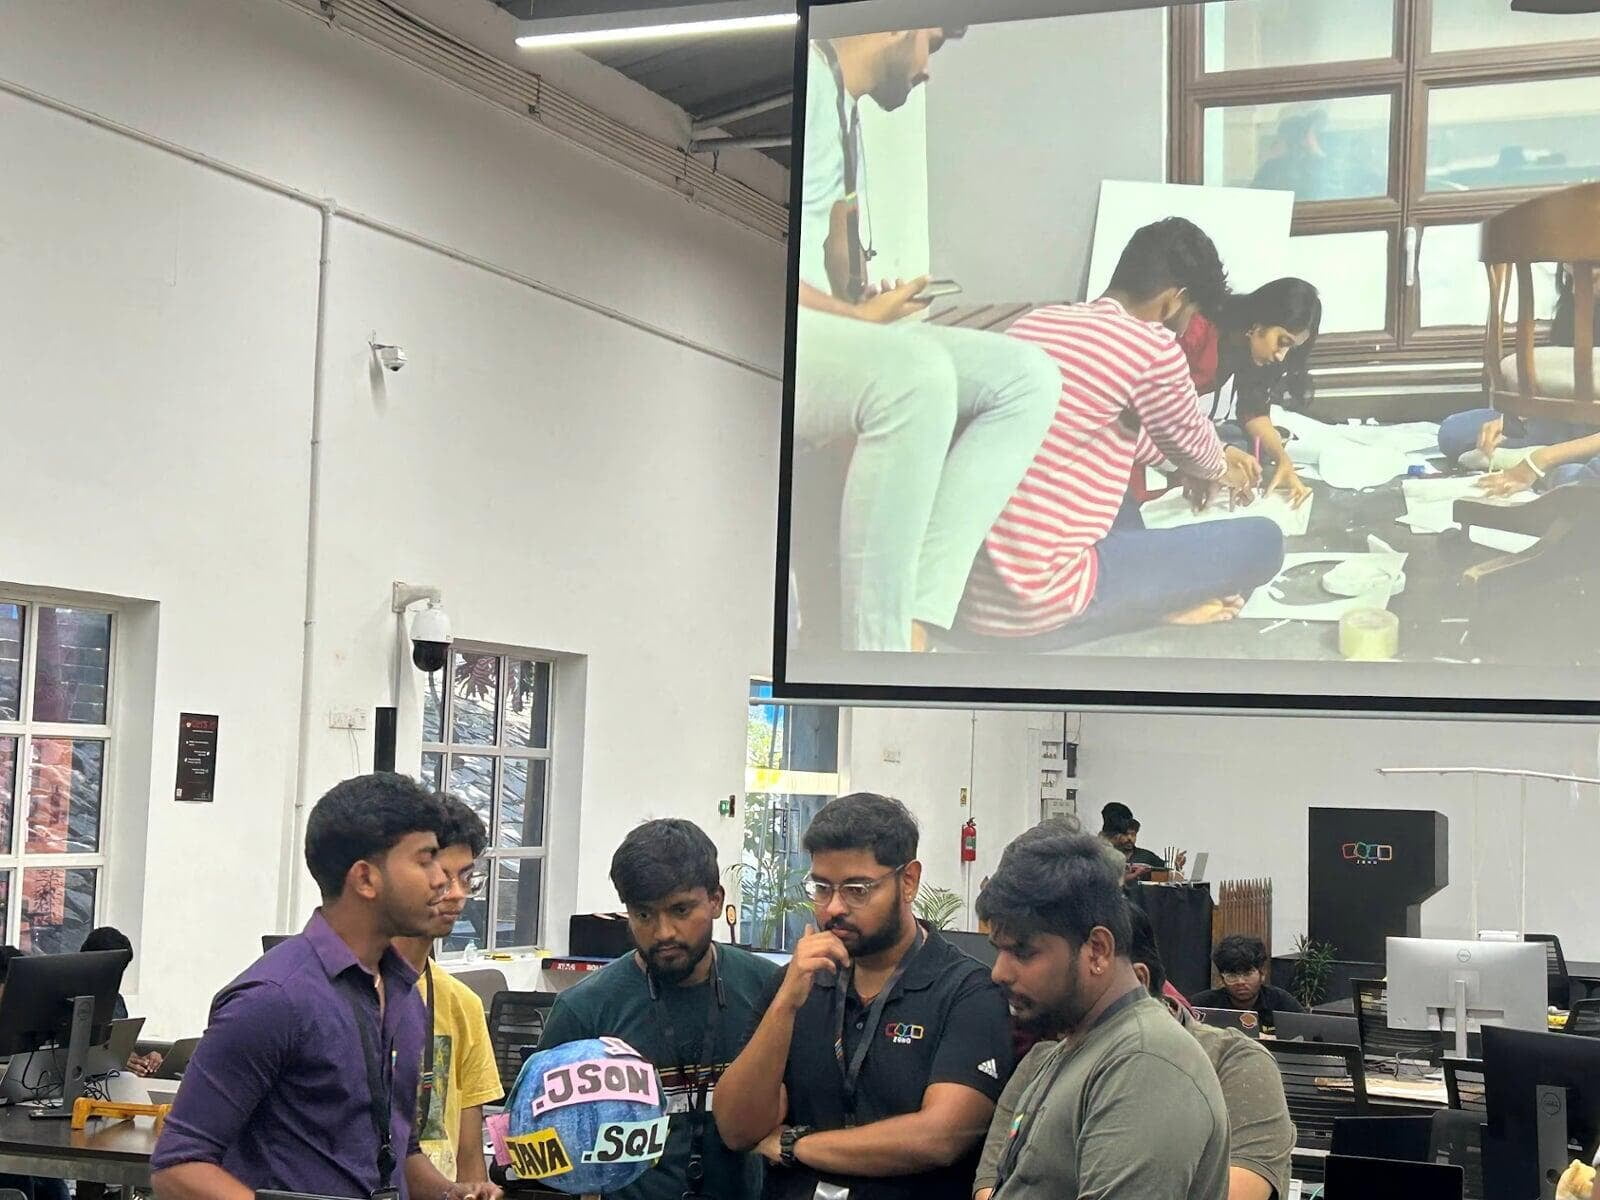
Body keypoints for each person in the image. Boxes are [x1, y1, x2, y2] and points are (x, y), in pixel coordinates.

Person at [794, 27, 1059, 652]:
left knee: (1028, 377)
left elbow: (824, 253)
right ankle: (878, 651)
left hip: (824, 324)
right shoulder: (808, 85)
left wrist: (862, 301)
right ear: (896, 23)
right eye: (931, 45)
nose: (927, 70)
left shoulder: (844, 110)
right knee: (916, 378)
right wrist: (860, 322)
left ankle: (917, 612)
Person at [150, 772, 500, 1200]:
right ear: (365, 879)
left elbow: (398, 1152)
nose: (441, 882)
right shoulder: (274, 998)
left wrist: (450, 1194)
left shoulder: (403, 993)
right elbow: (178, 1166)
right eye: (425, 860)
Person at [958, 218, 1283, 648]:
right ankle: (1146, 606)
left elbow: (1104, 428)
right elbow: (1193, 449)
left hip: (977, 595)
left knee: (1119, 497)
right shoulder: (1151, 346)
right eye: (1190, 314)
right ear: (1173, 301)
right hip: (1037, 603)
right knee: (1265, 542)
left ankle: (1148, 596)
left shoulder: (1036, 324)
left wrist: (1202, 456)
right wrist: (1222, 467)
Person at [715, 793, 1014, 1200]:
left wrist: (794, 1145)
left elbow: (940, 1137)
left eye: (857, 889)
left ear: (908, 881)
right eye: (821, 888)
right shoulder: (797, 984)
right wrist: (784, 1004)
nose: (833, 908)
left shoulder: (967, 991)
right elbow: (737, 1129)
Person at [977, 820, 1230, 1200]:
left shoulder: (1145, 1062)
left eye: (1022, 951)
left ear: (1097, 950)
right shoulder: (1078, 1046)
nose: (999, 972)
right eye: (998, 950)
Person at [975, 903, 1294, 1200]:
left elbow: (1239, 1191)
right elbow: (993, 1182)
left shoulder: (1235, 1061)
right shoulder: (1044, 1060)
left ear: (1136, 979)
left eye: (1026, 954)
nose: (1001, 974)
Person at [536, 819, 780, 1200]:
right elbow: (541, 1141)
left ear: (716, 900)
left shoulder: (769, 990)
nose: (663, 932)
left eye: (680, 910)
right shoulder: (584, 1009)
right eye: (644, 915)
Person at [394, 796, 504, 1186]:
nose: (456, 893)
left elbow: (470, 1159)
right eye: (443, 876)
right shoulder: (350, 994)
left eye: (466, 877)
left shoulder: (462, 1004)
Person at [1441, 265, 1600, 491]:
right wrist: (1517, 417)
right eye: (1568, 276)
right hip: (1567, 421)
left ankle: (1557, 469)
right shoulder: (1577, 305)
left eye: (1591, 277)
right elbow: (1562, 386)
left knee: (1580, 479)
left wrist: (1539, 460)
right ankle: (1559, 465)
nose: (1574, 290)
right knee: (1453, 431)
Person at [1178, 277, 1322, 508]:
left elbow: (1254, 411)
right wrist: (1219, 457)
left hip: (1180, 424)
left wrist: (1283, 460)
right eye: (1282, 341)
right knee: (1233, 449)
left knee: (1247, 448)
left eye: (1290, 348)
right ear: (1259, 322)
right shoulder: (1199, 331)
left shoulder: (1250, 351)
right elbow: (1163, 412)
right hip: (1154, 422)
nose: (1281, 356)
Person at [79, 926, 165, 1076]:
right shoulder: (68, 1001)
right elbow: (64, 1057)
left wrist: (141, 1061)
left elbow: (120, 1050)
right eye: (113, 970)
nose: (117, 977)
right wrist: (113, 1061)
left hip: (114, 1079)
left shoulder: (117, 1001)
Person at [1191, 934, 1306, 1025]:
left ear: (1262, 973)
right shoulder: (1202, 1005)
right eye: (1232, 976)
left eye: (1247, 974)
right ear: (1221, 978)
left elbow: (1307, 1033)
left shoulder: (1282, 1003)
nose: (1240, 982)